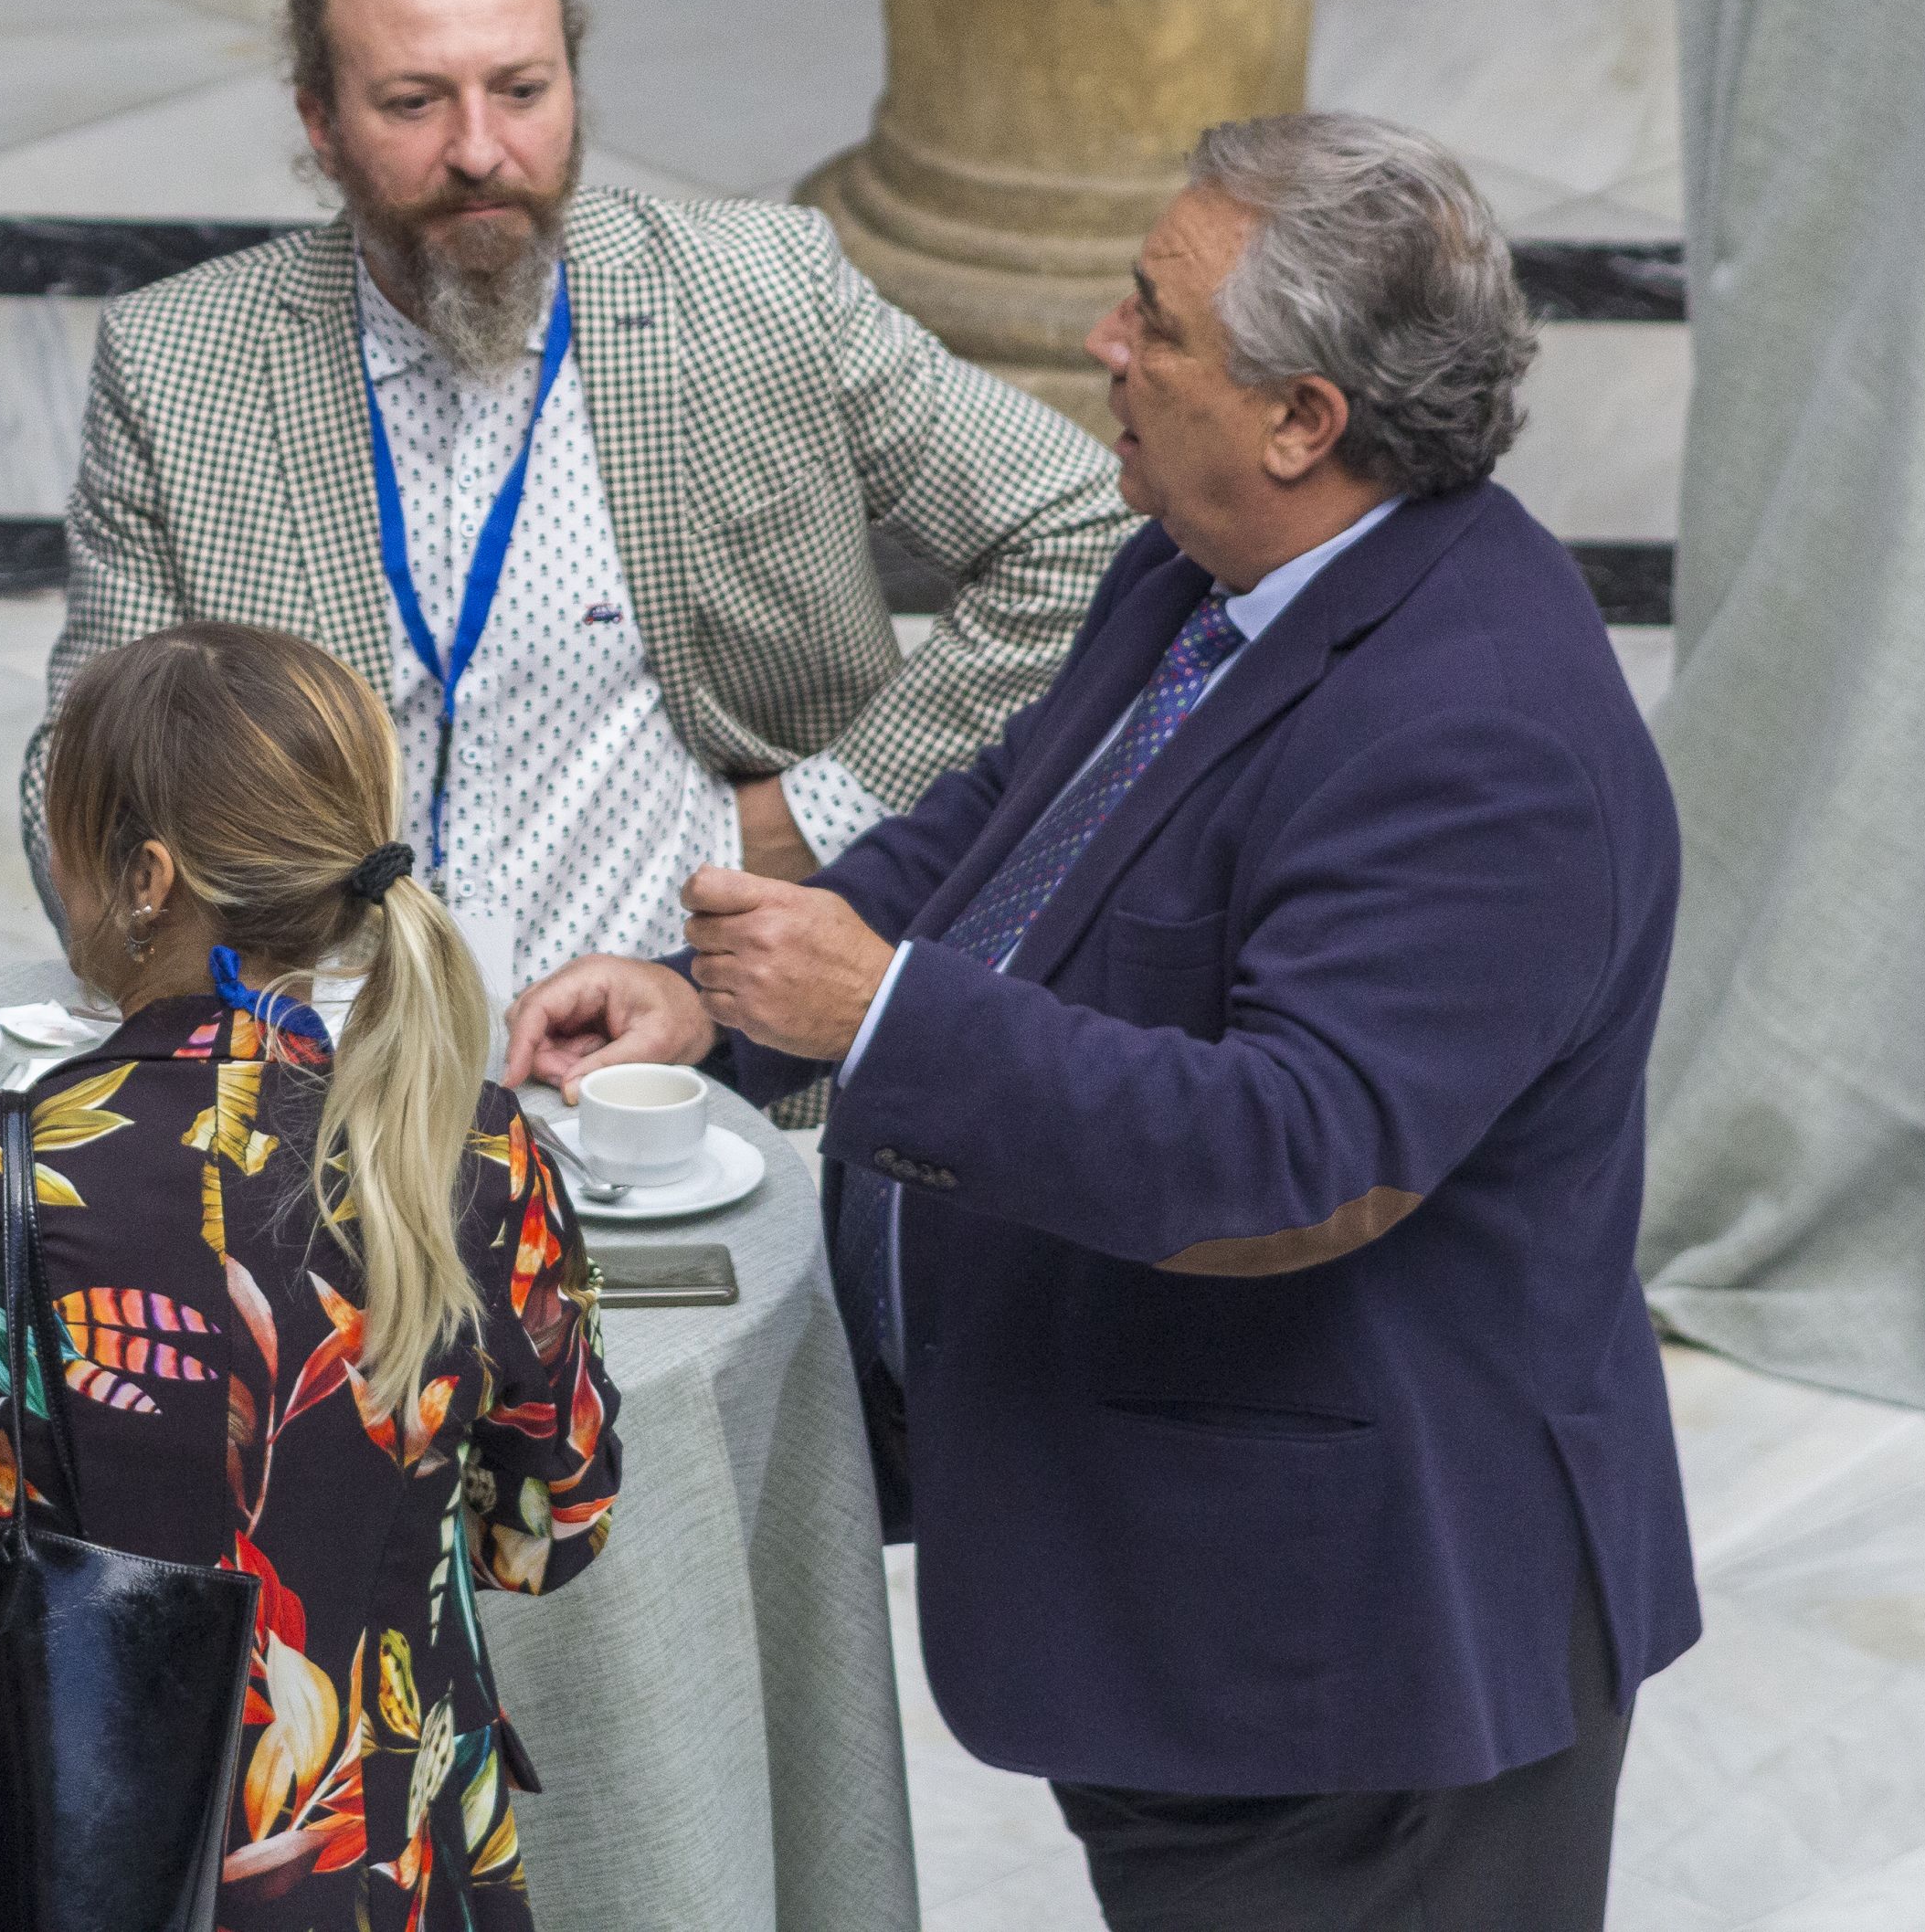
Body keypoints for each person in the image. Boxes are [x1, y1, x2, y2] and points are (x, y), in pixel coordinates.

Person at [509, 115, 1700, 1928]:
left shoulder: (1481, 736)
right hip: (1170, 1594)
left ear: (1302, 419)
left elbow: (1284, 1159)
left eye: (1152, 318)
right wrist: (724, 1002)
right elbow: (1015, 824)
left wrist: (882, 1015)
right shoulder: (1200, 563)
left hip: (1345, 1666)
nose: (1101, 344)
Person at [23, 0, 1132, 1077]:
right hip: (316, 1070)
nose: (480, 151)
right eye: (412, 103)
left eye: (522, 90)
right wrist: (183, 954)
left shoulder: (756, 293)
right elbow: (77, 773)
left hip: (677, 1064)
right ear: (320, 124)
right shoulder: (184, 364)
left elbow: (1079, 527)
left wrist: (827, 811)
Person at [0, 623, 620, 1928]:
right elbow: (544, 1532)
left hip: (30, 1840)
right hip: (369, 1862)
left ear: (145, 876)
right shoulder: (479, 1156)